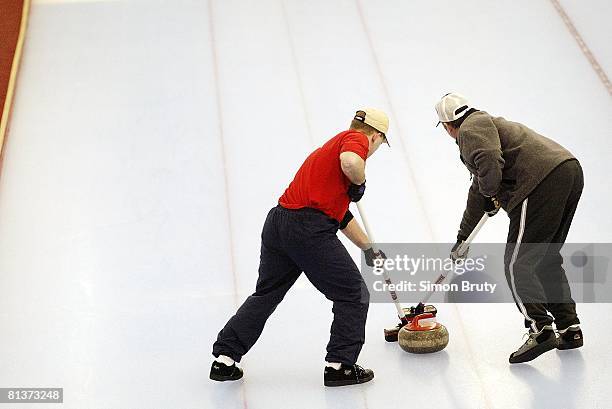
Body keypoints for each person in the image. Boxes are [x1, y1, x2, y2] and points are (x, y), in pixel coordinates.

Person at [210, 108, 389, 386]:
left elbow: (339, 216)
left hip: (279, 223)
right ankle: (340, 365)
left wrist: (368, 248)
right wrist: (360, 182)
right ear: (377, 136)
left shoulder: (325, 153)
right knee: (353, 293)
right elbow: (352, 163)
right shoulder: (356, 139)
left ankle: (224, 359)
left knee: (267, 293)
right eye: (380, 143)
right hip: (308, 229)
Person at [436, 93, 583, 364]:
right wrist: (463, 238)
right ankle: (569, 328)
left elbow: (488, 161)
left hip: (540, 180)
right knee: (545, 258)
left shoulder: (471, 127)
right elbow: (478, 189)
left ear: (446, 126)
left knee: (517, 263)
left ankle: (540, 330)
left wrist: (491, 193)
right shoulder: (488, 123)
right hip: (567, 171)